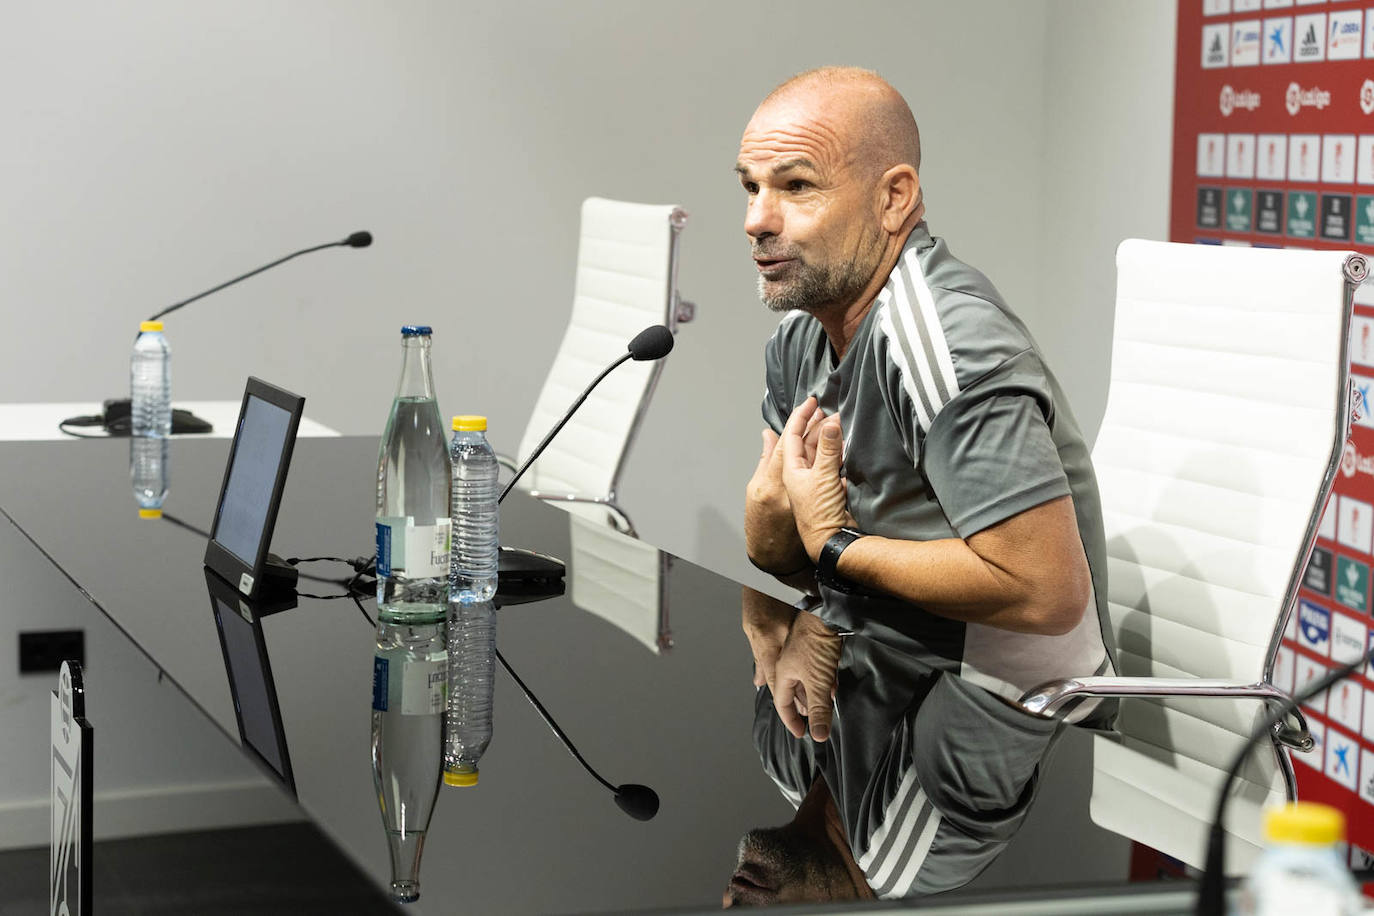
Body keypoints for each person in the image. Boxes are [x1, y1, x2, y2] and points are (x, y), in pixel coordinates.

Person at [732, 67, 1115, 902]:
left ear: (894, 198)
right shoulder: (799, 341)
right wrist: (786, 541)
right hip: (883, 658)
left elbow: (1046, 594)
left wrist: (832, 547)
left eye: (796, 186)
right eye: (752, 186)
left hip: (998, 697)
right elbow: (775, 545)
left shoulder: (948, 346)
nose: (758, 219)